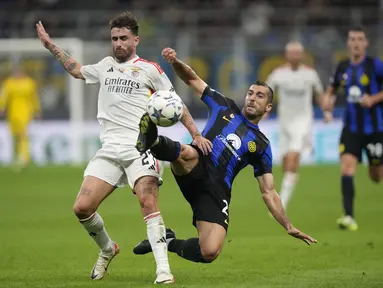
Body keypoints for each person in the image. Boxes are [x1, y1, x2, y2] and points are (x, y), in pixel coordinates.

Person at [36, 12, 211, 283]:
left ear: (136, 40)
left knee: (147, 201)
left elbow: (175, 103)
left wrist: (196, 134)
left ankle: (163, 269)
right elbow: (75, 69)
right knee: (82, 208)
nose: (118, 43)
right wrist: (50, 45)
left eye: (123, 38)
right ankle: (108, 249)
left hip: (141, 145)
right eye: (114, 38)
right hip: (109, 148)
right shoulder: (104, 65)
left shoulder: (150, 69)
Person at [132, 47, 317, 264]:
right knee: (187, 152)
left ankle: (167, 241)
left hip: (217, 190)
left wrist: (288, 225)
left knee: (209, 251)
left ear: (268, 107)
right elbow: (192, 79)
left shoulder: (262, 145)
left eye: (259, 96)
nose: (252, 98)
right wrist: (175, 62)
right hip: (196, 165)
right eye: (250, 93)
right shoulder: (224, 106)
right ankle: (152, 140)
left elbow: (268, 191)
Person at [322, 27, 383, 231]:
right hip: (351, 128)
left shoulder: (374, 65)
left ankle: (375, 165)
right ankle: (348, 216)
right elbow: (331, 89)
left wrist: (373, 99)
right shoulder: (342, 66)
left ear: (366, 43)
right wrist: (328, 102)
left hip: (375, 128)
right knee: (347, 168)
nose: (356, 42)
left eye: (360, 39)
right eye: (352, 39)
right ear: (348, 44)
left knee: (376, 176)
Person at [265, 42, 324, 210]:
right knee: (286, 164)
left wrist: (326, 111)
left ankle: (281, 203)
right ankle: (292, 176)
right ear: (286, 55)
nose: (294, 56)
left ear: (302, 55)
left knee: (292, 159)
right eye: (291, 53)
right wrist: (264, 110)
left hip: (303, 121)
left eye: (297, 53)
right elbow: (267, 92)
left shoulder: (310, 74)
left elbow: (319, 94)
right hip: (284, 122)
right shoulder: (278, 74)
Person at [0, 65, 41, 170]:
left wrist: (37, 110)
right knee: (14, 135)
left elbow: (34, 97)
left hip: (25, 111)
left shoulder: (29, 82)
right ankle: (16, 156)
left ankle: (24, 158)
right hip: (12, 112)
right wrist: (2, 108)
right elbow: (4, 96)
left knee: (23, 134)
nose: (17, 74)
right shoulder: (9, 82)